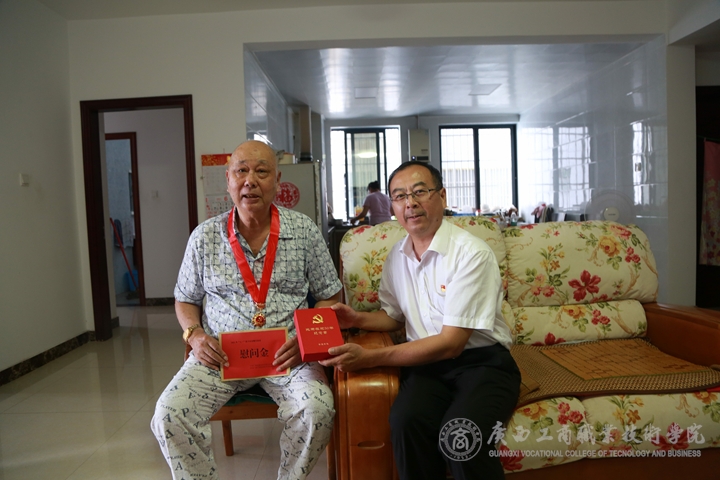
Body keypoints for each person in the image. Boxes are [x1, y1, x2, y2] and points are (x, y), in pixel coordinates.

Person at [151, 140, 343, 480]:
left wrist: (306, 341)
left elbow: (330, 296)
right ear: (228, 180)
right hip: (220, 356)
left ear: (277, 181)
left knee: (318, 409)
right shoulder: (204, 237)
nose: (250, 180)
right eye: (241, 171)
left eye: (261, 171)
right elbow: (185, 298)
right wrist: (194, 335)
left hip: (289, 356)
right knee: (169, 413)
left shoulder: (304, 231)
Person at [320, 162, 520, 480]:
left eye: (419, 192)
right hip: (426, 366)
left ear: (442, 196)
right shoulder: (396, 257)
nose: (410, 203)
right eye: (400, 196)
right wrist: (356, 318)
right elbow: (393, 317)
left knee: (461, 435)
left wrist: (370, 358)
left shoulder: (471, 254)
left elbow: (451, 344)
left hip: (483, 363)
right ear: (393, 206)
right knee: (405, 421)